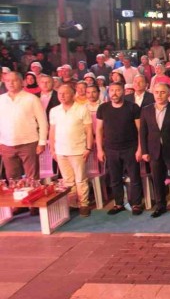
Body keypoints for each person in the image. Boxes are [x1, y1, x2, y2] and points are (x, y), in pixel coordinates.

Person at [139, 83, 170, 218]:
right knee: (157, 180)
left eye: (162, 92)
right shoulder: (146, 110)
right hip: (154, 151)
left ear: (168, 94)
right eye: (157, 92)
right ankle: (161, 206)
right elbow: (143, 132)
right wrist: (144, 151)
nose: (159, 95)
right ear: (153, 93)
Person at [0, 72, 49, 204]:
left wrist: (42, 142)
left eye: (14, 80)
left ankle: (34, 204)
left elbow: (43, 122)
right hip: (6, 144)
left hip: (29, 143)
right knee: (12, 177)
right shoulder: (1, 99)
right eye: (8, 80)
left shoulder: (32, 98)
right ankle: (16, 205)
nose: (11, 83)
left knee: (32, 177)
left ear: (22, 82)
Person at [96, 81, 143, 215]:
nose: (114, 93)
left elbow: (140, 130)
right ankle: (118, 203)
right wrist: (100, 149)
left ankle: (136, 204)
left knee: (134, 177)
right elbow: (99, 130)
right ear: (108, 92)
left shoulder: (133, 107)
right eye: (112, 91)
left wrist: (140, 148)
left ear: (123, 91)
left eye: (117, 90)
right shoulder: (103, 108)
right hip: (111, 149)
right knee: (115, 178)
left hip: (130, 148)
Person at [49, 84, 93, 216]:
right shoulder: (54, 111)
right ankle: (73, 203)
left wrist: (88, 147)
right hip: (60, 150)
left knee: (80, 179)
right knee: (68, 180)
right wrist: (52, 149)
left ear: (73, 95)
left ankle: (84, 204)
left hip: (78, 149)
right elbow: (52, 131)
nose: (62, 96)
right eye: (59, 93)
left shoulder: (81, 109)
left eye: (65, 93)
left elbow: (89, 130)